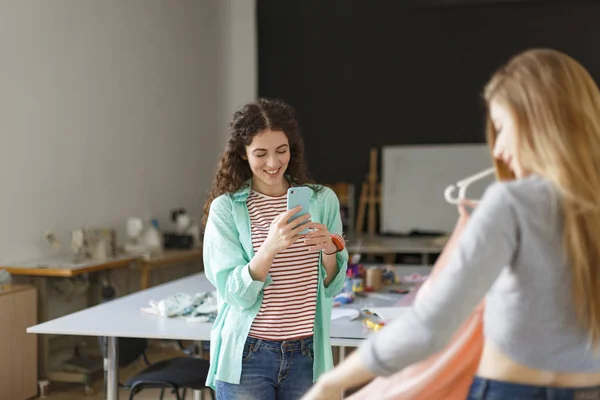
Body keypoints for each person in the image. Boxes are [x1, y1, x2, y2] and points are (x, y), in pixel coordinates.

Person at [301, 48, 600, 400]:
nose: (499, 149)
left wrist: (332, 382)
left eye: (502, 128)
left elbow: (429, 326)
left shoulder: (512, 202)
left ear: (539, 121)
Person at [202, 98, 349, 400]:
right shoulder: (226, 210)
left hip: (307, 354)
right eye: (260, 153)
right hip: (248, 355)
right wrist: (269, 248)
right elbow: (234, 293)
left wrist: (329, 251)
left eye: (281, 150)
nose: (273, 163)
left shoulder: (323, 201)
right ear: (242, 154)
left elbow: (333, 285)